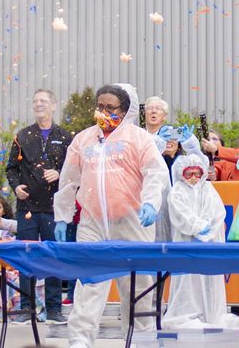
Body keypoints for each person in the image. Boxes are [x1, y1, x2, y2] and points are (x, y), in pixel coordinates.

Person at [55, 83, 168, 348]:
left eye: (110, 107)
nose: (104, 112)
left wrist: (150, 203)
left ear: (125, 111)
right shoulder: (83, 139)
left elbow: (156, 172)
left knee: (137, 284)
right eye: (100, 106)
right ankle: (80, 340)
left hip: (133, 221)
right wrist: (62, 215)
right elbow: (69, 180)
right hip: (92, 223)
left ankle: (139, 339)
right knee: (89, 283)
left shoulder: (138, 138)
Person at [5, 88, 72, 322]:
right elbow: (11, 168)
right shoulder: (23, 136)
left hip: (54, 208)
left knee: (53, 256)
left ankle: (54, 309)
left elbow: (75, 169)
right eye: (35, 101)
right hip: (27, 209)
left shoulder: (65, 136)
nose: (39, 104)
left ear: (53, 105)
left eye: (43, 101)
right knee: (27, 256)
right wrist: (16, 187)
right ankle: (27, 308)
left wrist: (60, 173)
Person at [164, 132, 239, 328]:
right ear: (181, 173)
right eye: (188, 173)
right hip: (186, 245)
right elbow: (180, 214)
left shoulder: (208, 189)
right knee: (187, 282)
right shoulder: (177, 191)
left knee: (210, 281)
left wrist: (208, 228)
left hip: (209, 246)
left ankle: (211, 316)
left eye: (197, 173)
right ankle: (185, 315)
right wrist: (198, 227)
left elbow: (217, 212)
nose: (193, 178)